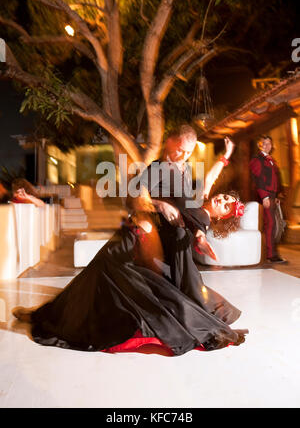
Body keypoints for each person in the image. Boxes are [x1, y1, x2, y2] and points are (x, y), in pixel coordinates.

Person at [13, 126, 247, 356]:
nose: (185, 156)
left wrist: (197, 231)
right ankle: (43, 316)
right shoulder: (158, 168)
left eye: (189, 152)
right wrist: (160, 204)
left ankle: (47, 316)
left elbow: (200, 196)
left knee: (100, 280)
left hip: (148, 241)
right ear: (170, 144)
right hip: (137, 234)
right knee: (93, 277)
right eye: (181, 150)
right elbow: (134, 195)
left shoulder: (184, 171)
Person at [249, 135, 287, 264]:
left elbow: (275, 179)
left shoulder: (271, 160)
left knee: (274, 225)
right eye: (264, 143)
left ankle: (272, 253)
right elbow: (258, 179)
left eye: (269, 143)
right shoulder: (257, 159)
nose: (267, 145)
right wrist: (264, 196)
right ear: (260, 145)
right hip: (264, 196)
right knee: (269, 225)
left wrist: (276, 196)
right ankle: (270, 255)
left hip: (272, 196)